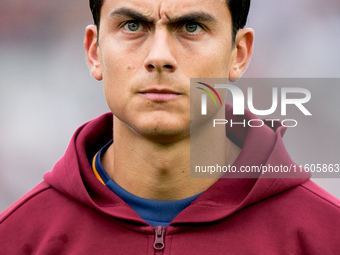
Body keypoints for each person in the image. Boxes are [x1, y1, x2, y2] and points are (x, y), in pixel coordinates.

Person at [1, 0, 339, 254]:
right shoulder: (18, 238)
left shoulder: (326, 235)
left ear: (239, 53)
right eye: (133, 26)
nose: (159, 56)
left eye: (191, 27)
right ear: (94, 51)